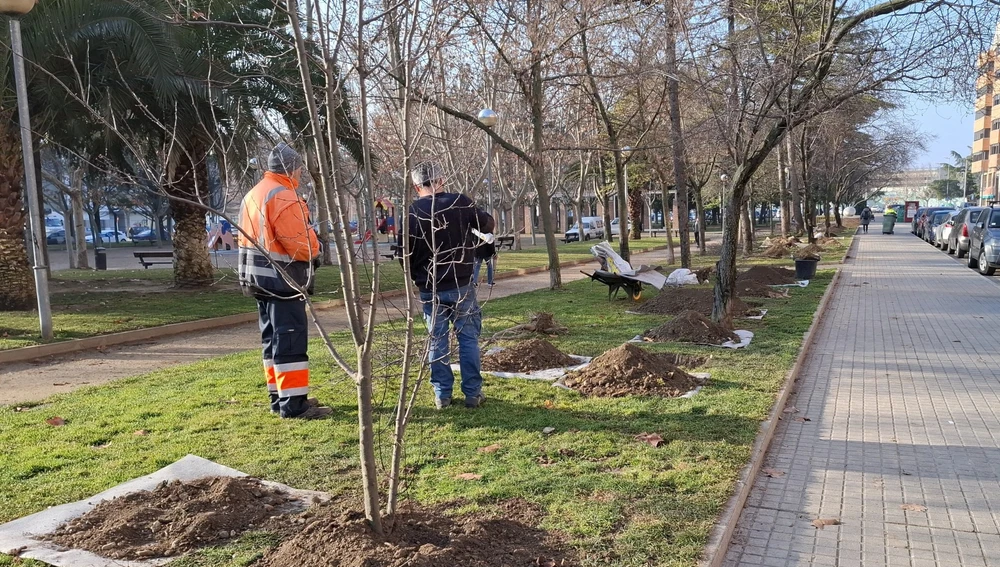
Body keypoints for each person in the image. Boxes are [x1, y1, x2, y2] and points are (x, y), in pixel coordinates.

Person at [238, 143, 330, 420]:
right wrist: (317, 247)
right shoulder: (284, 196)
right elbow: (301, 245)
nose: (301, 174)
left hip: (258, 279)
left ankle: (279, 397)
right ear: (293, 169)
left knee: (272, 341)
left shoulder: (254, 194)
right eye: (300, 169)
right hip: (283, 282)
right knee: (290, 342)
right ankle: (294, 405)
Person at [399, 162, 495, 409]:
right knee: (468, 338)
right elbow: (487, 225)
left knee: (437, 340)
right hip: (461, 284)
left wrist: (417, 277)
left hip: (430, 287)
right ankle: (472, 393)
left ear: (416, 186)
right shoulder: (459, 202)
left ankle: (442, 394)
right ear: (441, 180)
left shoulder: (412, 212)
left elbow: (404, 254)